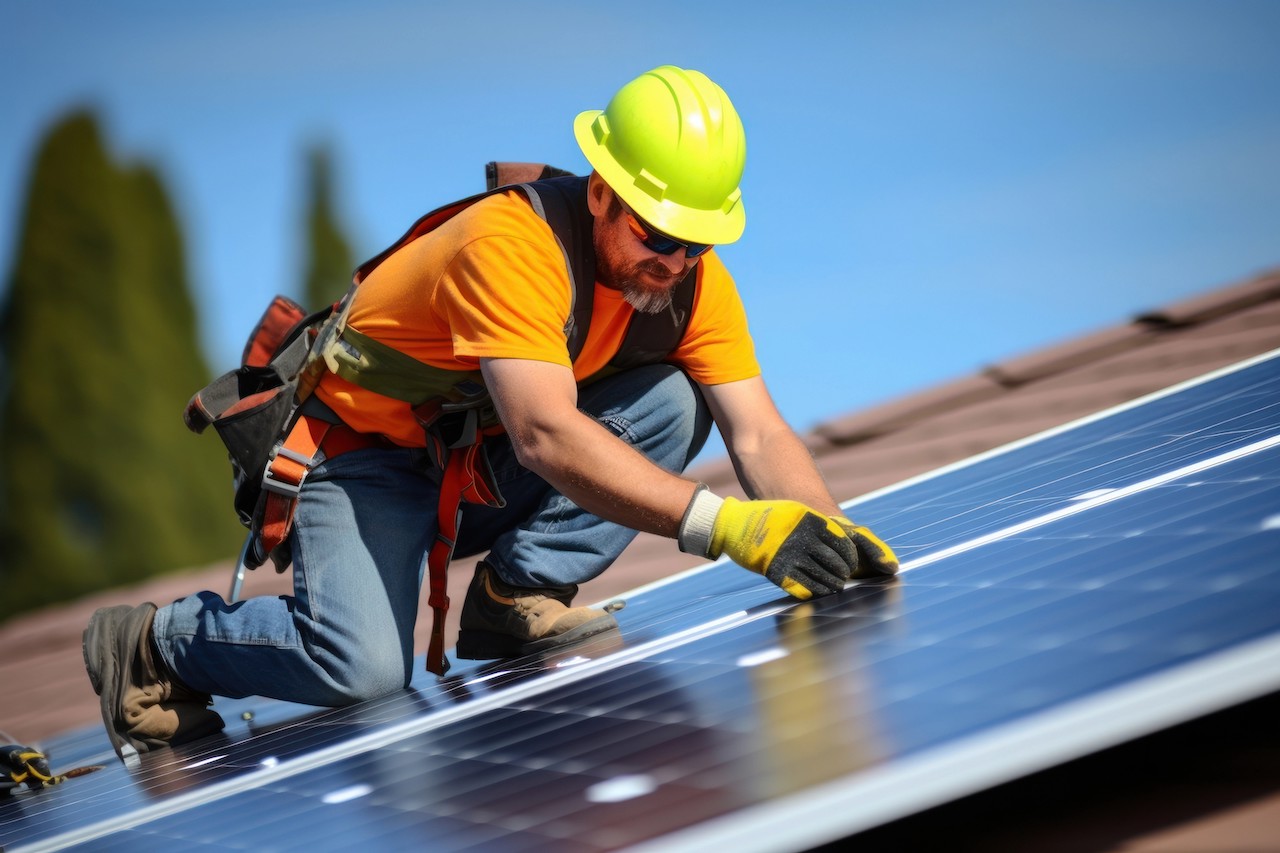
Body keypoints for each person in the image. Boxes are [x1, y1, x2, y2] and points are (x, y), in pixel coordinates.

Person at [82, 65, 899, 761]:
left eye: (698, 242)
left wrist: (826, 529)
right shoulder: (510, 247)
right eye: (659, 235)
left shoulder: (690, 285)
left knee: (673, 402)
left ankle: (513, 598)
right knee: (360, 671)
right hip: (358, 458)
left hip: (473, 461)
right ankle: (157, 642)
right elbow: (545, 433)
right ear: (604, 192)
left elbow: (755, 428)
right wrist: (730, 527)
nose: (676, 261)